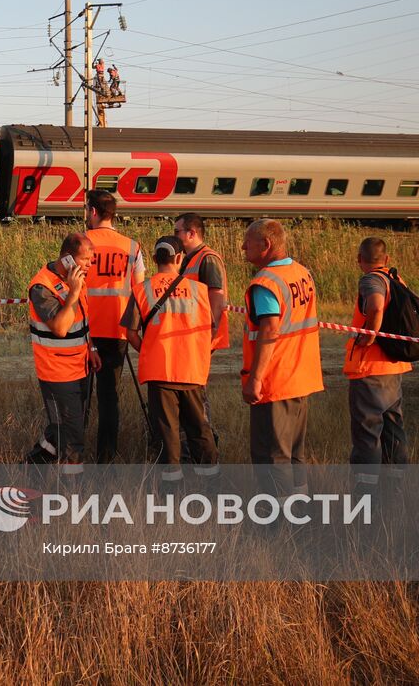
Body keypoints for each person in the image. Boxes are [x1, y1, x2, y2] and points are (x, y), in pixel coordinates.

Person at [240, 219, 324, 497]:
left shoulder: (265, 283)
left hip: (276, 382)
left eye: (247, 242)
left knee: (271, 457)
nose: (242, 247)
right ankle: (300, 511)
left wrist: (255, 378)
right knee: (294, 455)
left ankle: (279, 523)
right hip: (301, 377)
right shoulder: (301, 272)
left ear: (265, 244)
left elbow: (270, 328)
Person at [122, 236, 217, 479]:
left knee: (168, 433)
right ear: (179, 258)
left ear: (154, 259)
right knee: (200, 430)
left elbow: (130, 333)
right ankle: (210, 485)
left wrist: (149, 349)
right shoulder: (200, 290)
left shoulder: (141, 289)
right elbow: (211, 327)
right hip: (192, 370)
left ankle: (170, 490)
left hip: (160, 372)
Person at [343, 237, 419, 486]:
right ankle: (394, 488)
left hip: (370, 371)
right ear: (387, 259)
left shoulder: (371, 279)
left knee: (367, 434)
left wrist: (369, 337)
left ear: (359, 259)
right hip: (394, 369)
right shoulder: (397, 280)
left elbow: (375, 308)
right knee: (394, 430)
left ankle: (366, 494)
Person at [24, 233, 97, 467]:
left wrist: (92, 347)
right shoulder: (42, 287)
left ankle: (33, 466)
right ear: (68, 259)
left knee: (66, 426)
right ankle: (70, 491)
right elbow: (60, 328)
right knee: (72, 436)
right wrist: (74, 292)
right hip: (58, 372)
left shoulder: (76, 279)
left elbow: (83, 319)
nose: (89, 265)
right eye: (86, 260)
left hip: (80, 365)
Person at [84, 189, 146, 463]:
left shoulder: (79, 243)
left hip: (83, 332)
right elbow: (141, 292)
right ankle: (106, 459)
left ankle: (72, 455)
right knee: (109, 399)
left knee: (79, 398)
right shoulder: (132, 247)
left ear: (93, 211)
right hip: (118, 332)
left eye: (86, 209)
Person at [173, 212, 229, 351]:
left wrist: (210, 333)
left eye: (177, 232)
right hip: (193, 331)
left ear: (191, 233)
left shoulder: (208, 258)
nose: (174, 236)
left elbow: (216, 297)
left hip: (201, 333)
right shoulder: (190, 259)